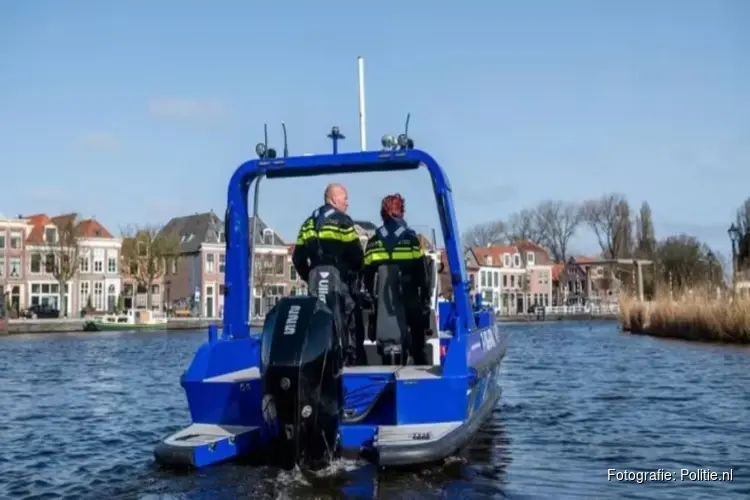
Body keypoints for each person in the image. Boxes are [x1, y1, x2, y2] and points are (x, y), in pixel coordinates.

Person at [292, 183, 365, 365]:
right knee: (351, 318)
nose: (347, 203)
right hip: (339, 283)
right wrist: (355, 273)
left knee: (317, 323)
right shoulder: (343, 221)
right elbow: (357, 255)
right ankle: (350, 359)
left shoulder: (307, 224)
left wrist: (309, 276)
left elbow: (297, 258)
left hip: (315, 283)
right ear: (333, 199)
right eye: (344, 198)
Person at [362, 194, 431, 365]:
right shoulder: (411, 239)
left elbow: (367, 276)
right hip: (408, 300)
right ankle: (419, 358)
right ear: (401, 212)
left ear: (382, 213)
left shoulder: (373, 241)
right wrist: (425, 297)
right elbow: (422, 273)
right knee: (417, 329)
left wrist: (371, 298)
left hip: (383, 307)